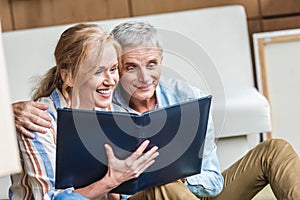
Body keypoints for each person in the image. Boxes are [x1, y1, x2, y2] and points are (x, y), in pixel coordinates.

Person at [13, 21, 300, 199]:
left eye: (152, 64)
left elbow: (214, 183)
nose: (143, 78)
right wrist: (10, 110)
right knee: (163, 189)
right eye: (129, 68)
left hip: (199, 192)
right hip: (156, 194)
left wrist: (178, 171)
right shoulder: (101, 107)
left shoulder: (189, 99)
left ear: (162, 60)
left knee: (274, 150)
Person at [9, 23, 160, 200]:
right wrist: (113, 180)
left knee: (165, 189)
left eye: (113, 69)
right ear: (69, 76)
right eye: (98, 71)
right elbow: (49, 199)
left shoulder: (110, 111)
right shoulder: (39, 121)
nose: (110, 80)